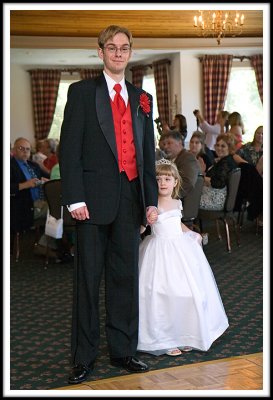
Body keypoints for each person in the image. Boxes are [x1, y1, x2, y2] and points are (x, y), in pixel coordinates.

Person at [59, 25, 158, 385]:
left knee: (124, 280)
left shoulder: (142, 97)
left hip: (131, 201)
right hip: (91, 203)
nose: (118, 53)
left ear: (130, 53)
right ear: (100, 52)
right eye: (112, 48)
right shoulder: (82, 92)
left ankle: (123, 351)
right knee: (88, 282)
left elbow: (147, 153)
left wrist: (149, 202)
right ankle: (83, 358)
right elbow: (68, 149)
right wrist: (74, 197)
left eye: (125, 48)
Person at [137, 159, 229, 356]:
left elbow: (178, 225)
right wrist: (145, 220)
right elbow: (142, 229)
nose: (163, 183)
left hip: (180, 251)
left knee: (187, 293)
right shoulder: (151, 205)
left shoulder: (177, 202)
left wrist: (191, 233)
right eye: (158, 179)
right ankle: (166, 339)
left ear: (175, 182)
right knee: (161, 295)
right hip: (158, 252)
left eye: (167, 178)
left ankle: (186, 334)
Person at [199, 133, 238, 211]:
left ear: (229, 148)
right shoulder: (225, 160)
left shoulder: (225, 163)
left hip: (215, 200)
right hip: (214, 195)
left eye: (223, 146)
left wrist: (201, 177)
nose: (219, 148)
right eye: (217, 145)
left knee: (186, 199)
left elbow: (218, 183)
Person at [162, 130, 200, 198]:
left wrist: (166, 196)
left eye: (169, 143)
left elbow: (188, 183)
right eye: (164, 144)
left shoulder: (188, 158)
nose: (165, 147)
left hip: (181, 201)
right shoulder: (167, 160)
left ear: (179, 143)